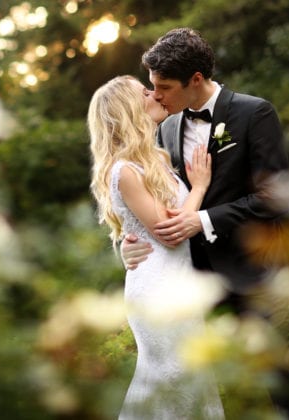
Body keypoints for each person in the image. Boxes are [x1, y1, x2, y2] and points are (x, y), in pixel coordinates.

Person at [121, 27, 289, 418]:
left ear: (195, 80)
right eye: (152, 85)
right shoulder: (167, 126)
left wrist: (204, 220)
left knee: (278, 380)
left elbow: (276, 197)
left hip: (254, 275)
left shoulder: (254, 112)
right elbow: (155, 201)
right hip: (190, 281)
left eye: (164, 86)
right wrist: (130, 241)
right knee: (208, 387)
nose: (154, 96)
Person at [89, 75, 225, 419]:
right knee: (172, 381)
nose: (153, 94)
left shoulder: (158, 160)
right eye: (144, 91)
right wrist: (199, 187)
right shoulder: (124, 171)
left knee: (192, 380)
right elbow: (169, 232)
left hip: (178, 285)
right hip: (155, 292)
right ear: (129, 109)